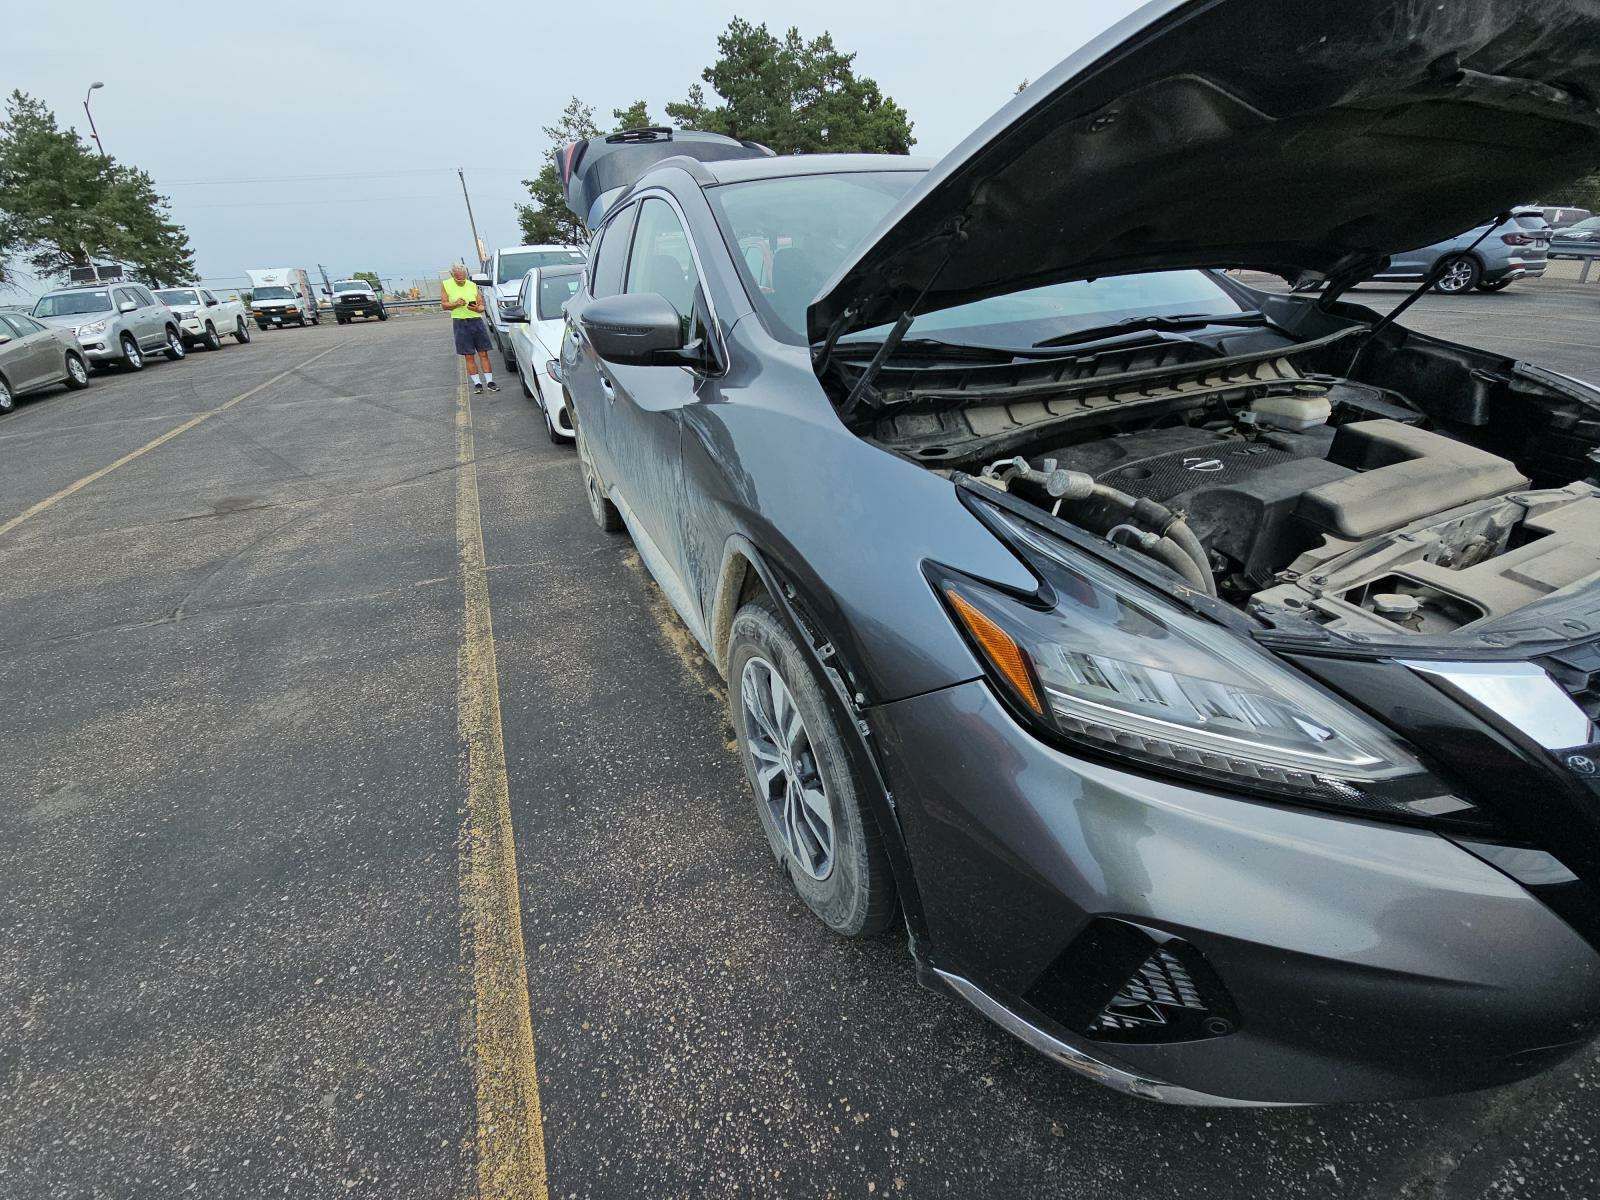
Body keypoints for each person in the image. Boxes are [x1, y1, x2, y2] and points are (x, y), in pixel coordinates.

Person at [440, 263, 498, 393]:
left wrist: (477, 308)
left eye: (463, 277)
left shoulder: (472, 285)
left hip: (476, 321)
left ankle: (490, 381)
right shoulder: (446, 284)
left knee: (483, 353)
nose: (461, 280)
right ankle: (477, 384)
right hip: (460, 323)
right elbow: (444, 305)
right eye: (458, 278)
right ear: (452, 275)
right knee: (469, 355)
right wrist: (455, 304)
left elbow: (482, 305)